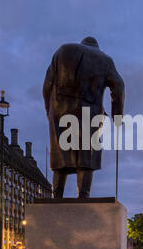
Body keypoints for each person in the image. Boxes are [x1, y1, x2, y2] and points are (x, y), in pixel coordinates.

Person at [43, 37, 125, 198]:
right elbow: (119, 86)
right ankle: (83, 194)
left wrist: (50, 111)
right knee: (87, 154)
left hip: (60, 109)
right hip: (90, 111)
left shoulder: (62, 50)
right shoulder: (105, 59)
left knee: (61, 152)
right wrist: (117, 116)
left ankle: (57, 194)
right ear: (96, 46)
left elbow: (47, 85)